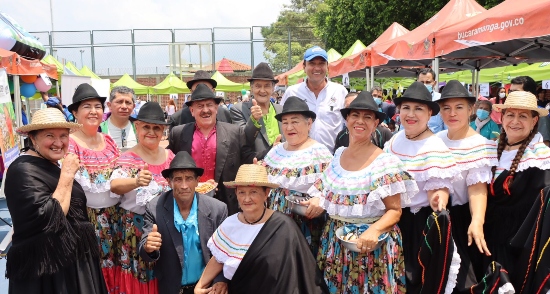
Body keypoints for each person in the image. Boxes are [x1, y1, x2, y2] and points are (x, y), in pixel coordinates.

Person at [308, 91, 417, 293]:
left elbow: (395, 211)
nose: (360, 121)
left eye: (368, 117)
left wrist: (374, 230)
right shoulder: (338, 156)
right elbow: (327, 193)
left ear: (376, 123)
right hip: (336, 242)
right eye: (355, 115)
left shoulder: (385, 163)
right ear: (347, 119)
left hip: (372, 247)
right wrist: (315, 200)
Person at [4, 108, 107, 293]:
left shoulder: (51, 163)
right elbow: (50, 219)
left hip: (73, 265)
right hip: (49, 275)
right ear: (33, 138)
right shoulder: (22, 170)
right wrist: (67, 174)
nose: (58, 143)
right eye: (49, 135)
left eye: (63, 136)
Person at [194, 164, 329, 294]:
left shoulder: (284, 227)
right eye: (242, 192)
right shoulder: (229, 224)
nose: (247, 198)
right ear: (236, 193)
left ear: (266, 193)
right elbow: (219, 258)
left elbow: (301, 272)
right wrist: (200, 285)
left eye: (253, 192)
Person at [384, 81, 462, 293]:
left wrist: (439, 198)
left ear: (429, 114)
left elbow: (439, 188)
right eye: (406, 108)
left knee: (412, 281)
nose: (411, 114)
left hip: (416, 225)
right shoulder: (395, 139)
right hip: (389, 219)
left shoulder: (434, 147)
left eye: (418, 109)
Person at [436, 80, 499, 292]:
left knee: (462, 279)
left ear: (471, 109)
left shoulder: (480, 145)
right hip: (435, 217)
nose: (452, 113)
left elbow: (477, 189)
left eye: (459, 107)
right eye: (446, 108)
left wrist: (477, 221)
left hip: (462, 221)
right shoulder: (436, 140)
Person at [484, 91, 550, 291]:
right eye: (510, 115)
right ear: (502, 118)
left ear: (534, 121)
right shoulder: (489, 149)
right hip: (486, 238)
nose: (515, 121)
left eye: (523, 116)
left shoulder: (542, 157)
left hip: (520, 244)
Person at [139, 151, 228, 294]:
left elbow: (226, 253)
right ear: (169, 182)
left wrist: (220, 280)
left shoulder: (218, 209)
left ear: (197, 180)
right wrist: (149, 247)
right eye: (178, 179)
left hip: (207, 288)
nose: (184, 185)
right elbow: (144, 251)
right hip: (171, 288)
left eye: (189, 178)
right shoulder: (155, 208)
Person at [110, 102, 174, 293]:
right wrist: (136, 181)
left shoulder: (171, 156)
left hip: (165, 229)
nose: (151, 132)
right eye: (146, 127)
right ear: (137, 127)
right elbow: (114, 186)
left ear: (163, 130)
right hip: (136, 231)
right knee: (141, 278)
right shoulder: (127, 158)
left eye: (157, 128)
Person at [168, 84, 256, 215]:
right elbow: (168, 161)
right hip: (188, 202)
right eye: (200, 106)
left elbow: (248, 157)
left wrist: (270, 153)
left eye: (209, 105)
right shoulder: (178, 133)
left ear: (216, 108)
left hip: (225, 202)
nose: (205, 110)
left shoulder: (234, 132)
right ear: (192, 111)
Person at [260, 96, 332, 255]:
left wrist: (319, 200)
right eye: (285, 122)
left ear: (309, 123)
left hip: (304, 223)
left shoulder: (319, 153)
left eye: (295, 121)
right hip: (273, 223)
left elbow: (331, 187)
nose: (289, 127)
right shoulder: (275, 151)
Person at [68, 83, 121, 292]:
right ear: (75, 113)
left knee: (116, 267)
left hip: (115, 217)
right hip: (85, 221)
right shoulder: (70, 143)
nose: (93, 111)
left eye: (97, 106)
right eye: (86, 106)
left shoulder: (108, 141)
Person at [281, 46, 348, 152]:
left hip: (333, 158)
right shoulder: (292, 92)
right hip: (300, 159)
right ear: (304, 66)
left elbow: (349, 123)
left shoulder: (340, 91)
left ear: (327, 67)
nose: (317, 68)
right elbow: (283, 123)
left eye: (321, 63)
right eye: (312, 63)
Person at [230, 62, 283, 159]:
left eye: (267, 86)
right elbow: (241, 143)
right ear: (251, 88)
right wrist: (253, 120)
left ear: (273, 88)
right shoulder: (239, 110)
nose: (262, 90)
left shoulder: (281, 110)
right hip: (254, 169)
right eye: (258, 86)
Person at [510, 76, 550, 146]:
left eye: (516, 92)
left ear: (529, 94)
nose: (512, 95)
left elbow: (545, 144)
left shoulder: (541, 115)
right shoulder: (508, 112)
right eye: (510, 91)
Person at [418, 68, 447, 133]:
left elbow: (447, 127)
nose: (424, 85)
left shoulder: (441, 99)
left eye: (428, 82)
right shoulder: (411, 100)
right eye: (422, 82)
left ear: (434, 83)